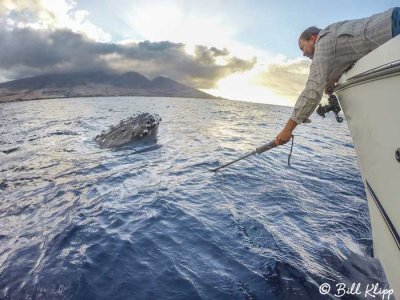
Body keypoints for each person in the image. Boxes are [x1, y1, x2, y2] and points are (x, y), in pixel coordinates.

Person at [275, 7, 400, 146]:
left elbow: (312, 91)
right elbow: (339, 67)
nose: (303, 54)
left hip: (394, 25)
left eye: (302, 48)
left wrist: (287, 129)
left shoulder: (323, 41)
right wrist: (330, 84)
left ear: (313, 38)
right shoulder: (332, 41)